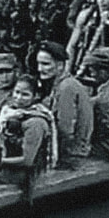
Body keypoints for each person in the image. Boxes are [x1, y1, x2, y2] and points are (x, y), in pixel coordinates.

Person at [35, 42, 92, 170]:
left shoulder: (67, 88)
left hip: (71, 157)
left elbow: (65, 130)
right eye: (39, 63)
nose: (40, 69)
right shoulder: (61, 84)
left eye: (45, 64)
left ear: (60, 65)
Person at [0, 75, 55, 191]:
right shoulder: (10, 112)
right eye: (17, 92)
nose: (18, 98)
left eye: (25, 95)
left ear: (36, 96)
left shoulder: (35, 123)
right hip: (10, 163)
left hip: (27, 173)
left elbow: (27, 160)